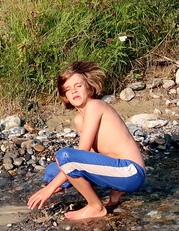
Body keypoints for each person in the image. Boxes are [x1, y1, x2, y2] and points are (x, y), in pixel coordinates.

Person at [28, 62, 146, 220]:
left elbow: (79, 153)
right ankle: (115, 191)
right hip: (115, 172)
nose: (74, 91)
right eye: (68, 89)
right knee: (52, 171)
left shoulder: (95, 106)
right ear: (66, 97)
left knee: (65, 157)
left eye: (78, 86)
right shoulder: (79, 119)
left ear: (89, 88)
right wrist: (58, 180)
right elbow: (90, 154)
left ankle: (96, 207)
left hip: (131, 172)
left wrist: (49, 189)